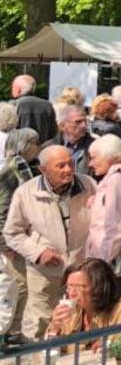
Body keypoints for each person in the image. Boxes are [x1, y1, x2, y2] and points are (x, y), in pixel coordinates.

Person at [3, 145, 96, 341]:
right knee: (44, 323)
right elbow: (12, 232)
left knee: (81, 321)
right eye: (60, 166)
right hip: (45, 271)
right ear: (43, 169)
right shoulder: (26, 193)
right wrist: (38, 252)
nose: (68, 170)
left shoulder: (88, 185)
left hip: (81, 269)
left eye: (70, 164)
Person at [42, 258, 121, 353]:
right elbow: (51, 354)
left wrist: (118, 346)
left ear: (99, 287)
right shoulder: (71, 311)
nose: (72, 294)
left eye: (79, 287)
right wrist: (54, 329)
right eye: (69, 287)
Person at [0, 129, 39, 346]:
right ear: (25, 145)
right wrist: (6, 243)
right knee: (16, 285)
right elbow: (2, 210)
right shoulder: (11, 173)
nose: (39, 146)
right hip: (12, 243)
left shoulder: (26, 168)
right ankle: (10, 331)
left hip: (21, 240)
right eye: (36, 142)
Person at [45, 105, 93, 176]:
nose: (84, 125)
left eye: (85, 121)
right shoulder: (48, 148)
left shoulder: (94, 146)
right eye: (78, 122)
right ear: (62, 126)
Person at [11, 75, 56, 143]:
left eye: (13, 87)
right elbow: (53, 133)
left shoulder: (12, 105)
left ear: (18, 89)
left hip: (18, 148)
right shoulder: (47, 105)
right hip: (42, 149)